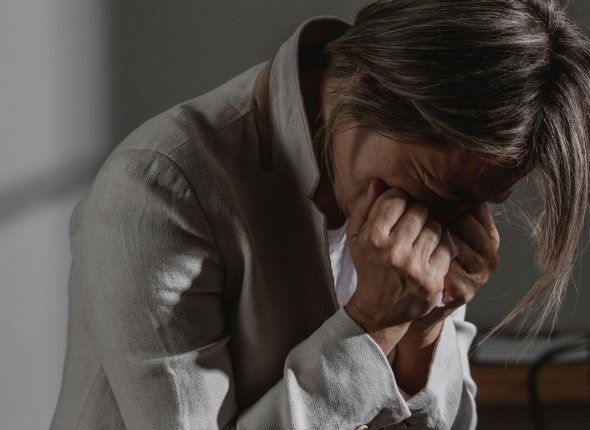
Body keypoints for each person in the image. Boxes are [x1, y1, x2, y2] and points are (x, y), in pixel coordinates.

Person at [50, 1, 590, 429]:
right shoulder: (159, 189)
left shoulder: (445, 192)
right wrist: (373, 325)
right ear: (368, 90)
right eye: (435, 192)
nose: (445, 230)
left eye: (481, 201)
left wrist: (425, 327)